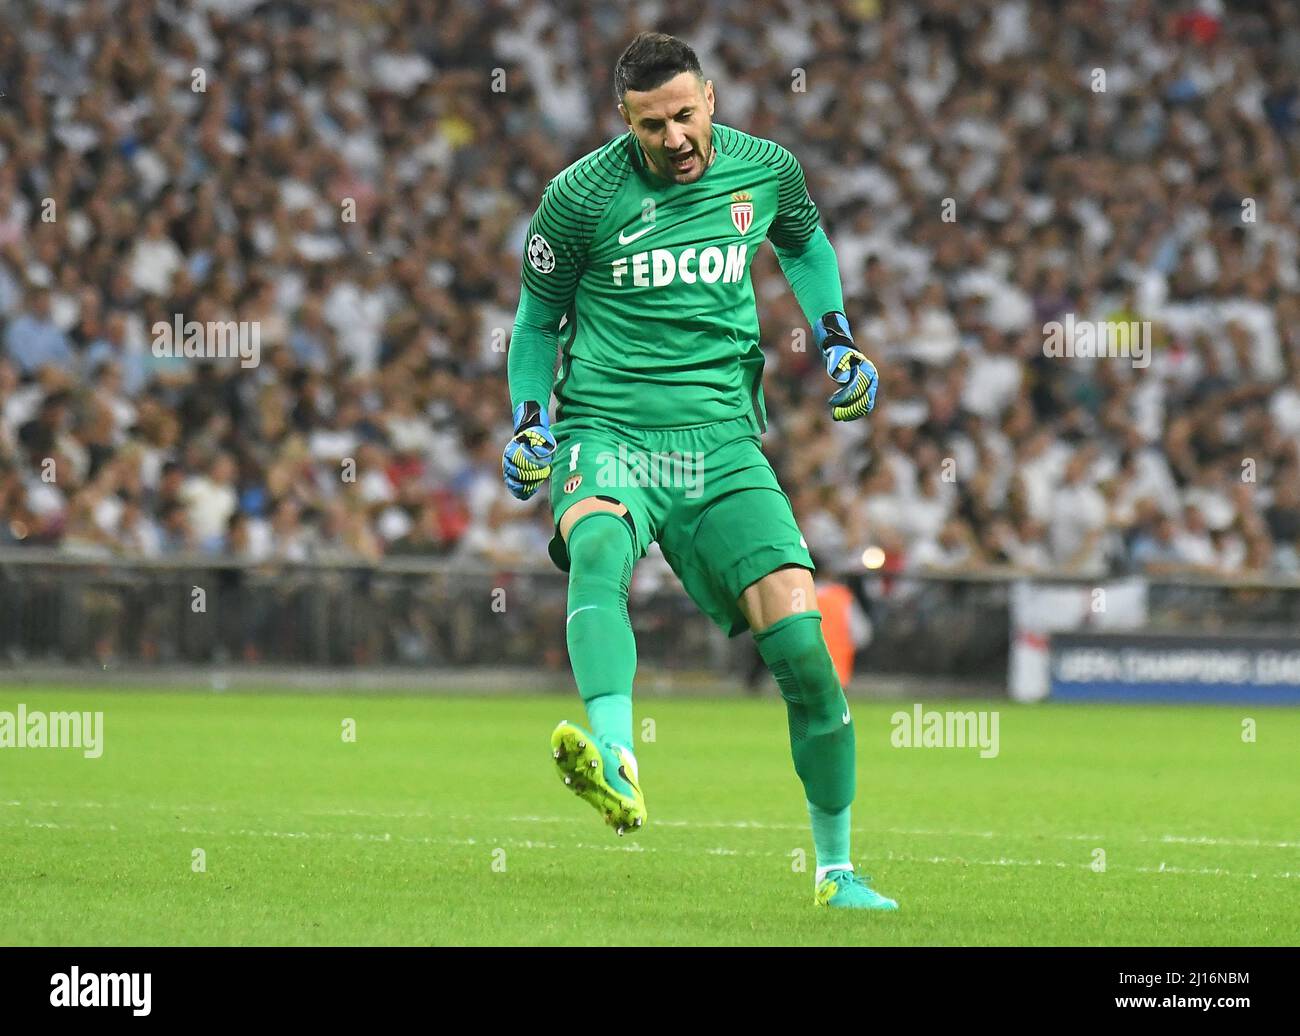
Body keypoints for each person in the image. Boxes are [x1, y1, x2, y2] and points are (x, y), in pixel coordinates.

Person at [502, 32, 894, 910]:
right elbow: (535, 326)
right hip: (608, 427)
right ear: (624, 121)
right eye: (652, 125)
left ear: (710, 98)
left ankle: (835, 871)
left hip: (721, 440)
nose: (675, 138)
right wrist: (530, 422)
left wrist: (837, 340)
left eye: (685, 115)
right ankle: (614, 749)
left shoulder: (764, 169)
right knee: (598, 544)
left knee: (803, 649)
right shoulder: (579, 198)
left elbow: (806, 243)